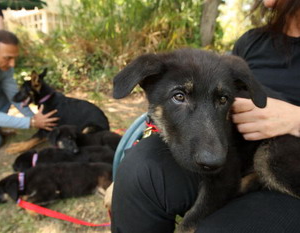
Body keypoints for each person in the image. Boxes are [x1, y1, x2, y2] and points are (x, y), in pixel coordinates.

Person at [111, 0, 300, 232]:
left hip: (284, 156)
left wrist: (296, 119)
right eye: (180, 97)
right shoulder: (253, 41)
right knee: (137, 174)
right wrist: (122, 183)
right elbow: (207, 83)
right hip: (236, 158)